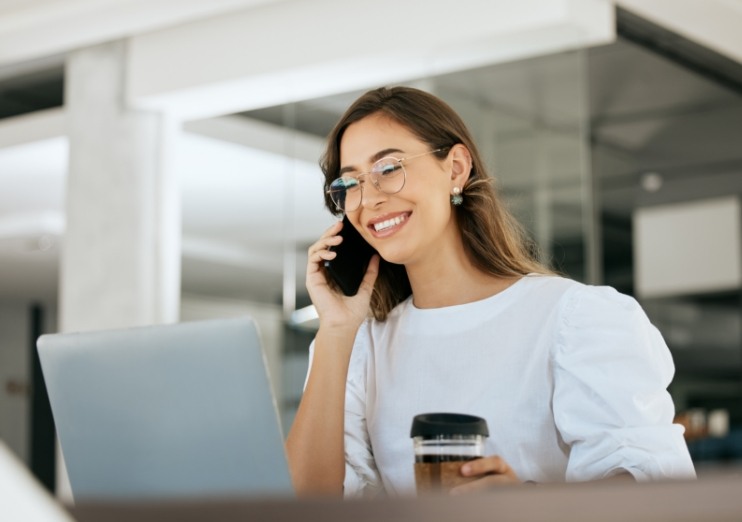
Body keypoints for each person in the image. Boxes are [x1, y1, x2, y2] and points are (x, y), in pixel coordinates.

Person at [285, 86, 696, 497]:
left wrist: (528, 504)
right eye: (350, 183)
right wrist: (336, 332)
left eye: (389, 168)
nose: (369, 198)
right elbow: (306, 504)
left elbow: (655, 491)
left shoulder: (574, 319)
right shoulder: (359, 346)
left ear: (456, 168)